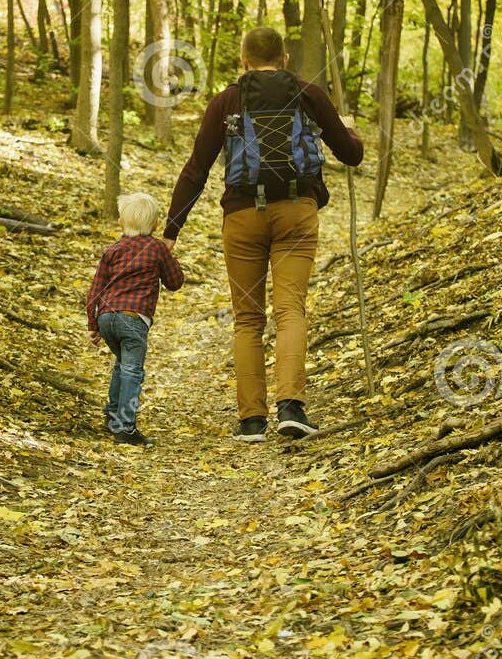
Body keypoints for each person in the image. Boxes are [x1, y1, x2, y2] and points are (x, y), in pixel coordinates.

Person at [163, 27, 364, 442]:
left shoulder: (226, 101)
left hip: (241, 217)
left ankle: (251, 420)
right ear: (285, 59)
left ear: (244, 61)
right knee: (291, 309)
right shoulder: (309, 93)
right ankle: (291, 407)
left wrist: (171, 231)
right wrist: (350, 129)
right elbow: (351, 154)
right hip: (296, 212)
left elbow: (196, 169)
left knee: (248, 319)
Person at [85, 192, 185, 447]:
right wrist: (170, 258)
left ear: (122, 222)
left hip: (107, 317)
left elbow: (95, 290)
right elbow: (175, 282)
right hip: (132, 318)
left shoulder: (113, 250)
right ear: (154, 225)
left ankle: (112, 415)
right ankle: (125, 427)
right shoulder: (157, 248)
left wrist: (93, 325)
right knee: (132, 370)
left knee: (122, 364)